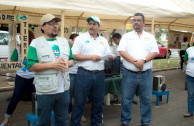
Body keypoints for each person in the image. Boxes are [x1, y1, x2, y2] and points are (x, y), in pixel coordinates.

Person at [27, 14, 74, 126]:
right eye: (51, 23)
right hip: (45, 91)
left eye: (56, 23)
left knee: (62, 121)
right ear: (42, 27)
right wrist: (53, 65)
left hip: (63, 90)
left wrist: (67, 63)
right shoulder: (35, 43)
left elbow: (72, 60)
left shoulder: (64, 42)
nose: (55, 26)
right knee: (43, 122)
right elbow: (30, 65)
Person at [70, 16, 114, 126]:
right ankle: (75, 123)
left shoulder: (103, 40)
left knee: (98, 101)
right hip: (84, 73)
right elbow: (74, 56)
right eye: (89, 24)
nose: (91, 26)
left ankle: (96, 123)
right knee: (80, 101)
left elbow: (107, 55)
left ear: (99, 27)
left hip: (99, 74)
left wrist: (110, 57)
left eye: (94, 24)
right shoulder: (80, 38)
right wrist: (91, 57)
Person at [117, 12, 159, 126]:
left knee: (146, 100)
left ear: (144, 23)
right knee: (126, 99)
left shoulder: (150, 37)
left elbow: (154, 52)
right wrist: (135, 62)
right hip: (129, 73)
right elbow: (122, 51)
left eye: (138, 20)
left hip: (146, 74)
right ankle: (125, 121)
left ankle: (145, 122)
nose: (135, 22)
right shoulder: (126, 36)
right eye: (134, 20)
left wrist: (143, 60)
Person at [0, 30, 35, 126]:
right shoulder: (17, 48)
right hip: (21, 77)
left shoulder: (35, 49)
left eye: (23, 37)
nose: (21, 39)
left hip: (33, 78)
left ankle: (38, 118)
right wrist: (19, 64)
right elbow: (12, 62)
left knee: (37, 98)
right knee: (15, 98)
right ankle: (6, 120)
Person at [68, 33, 87, 122]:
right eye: (74, 40)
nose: (76, 42)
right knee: (69, 95)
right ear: (71, 41)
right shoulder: (68, 50)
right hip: (70, 74)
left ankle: (79, 114)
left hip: (81, 74)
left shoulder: (82, 50)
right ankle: (70, 111)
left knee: (80, 96)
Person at [183, 44, 194, 118]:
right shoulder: (189, 49)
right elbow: (185, 61)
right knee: (191, 95)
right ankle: (190, 112)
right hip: (190, 76)